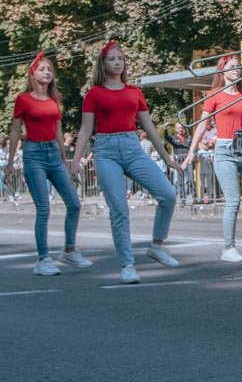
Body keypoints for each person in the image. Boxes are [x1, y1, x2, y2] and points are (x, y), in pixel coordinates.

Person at [69, 41, 182, 284]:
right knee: (119, 210)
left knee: (168, 194)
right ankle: (128, 265)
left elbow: (149, 127)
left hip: (133, 148)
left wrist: (166, 157)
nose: (117, 62)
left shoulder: (135, 92)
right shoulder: (94, 93)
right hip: (106, 151)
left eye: (120, 58)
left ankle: (157, 246)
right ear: (103, 63)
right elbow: (86, 129)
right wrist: (75, 162)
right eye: (111, 59)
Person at [184, 54, 242, 263]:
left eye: (239, 67)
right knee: (233, 200)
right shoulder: (214, 95)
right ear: (223, 70)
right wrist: (192, 150)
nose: (237, 70)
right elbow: (202, 124)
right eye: (233, 67)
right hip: (224, 151)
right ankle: (228, 248)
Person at [6, 52, 88, 275]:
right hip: (34, 154)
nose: (47, 72)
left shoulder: (54, 100)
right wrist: (10, 162)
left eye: (50, 70)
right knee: (44, 209)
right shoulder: (23, 99)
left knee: (74, 204)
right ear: (32, 74)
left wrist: (65, 162)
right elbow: (15, 130)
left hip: (54, 153)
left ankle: (69, 250)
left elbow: (59, 131)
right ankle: (43, 260)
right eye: (42, 69)